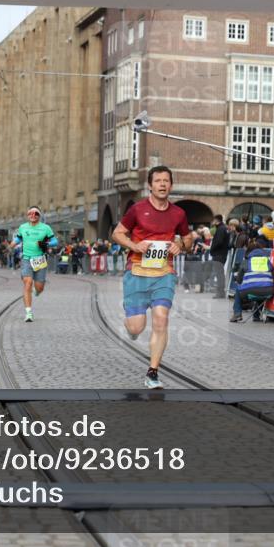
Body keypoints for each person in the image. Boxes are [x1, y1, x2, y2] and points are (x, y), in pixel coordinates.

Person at [112, 166, 193, 389]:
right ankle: (131, 326)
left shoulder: (178, 213)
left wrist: (179, 245)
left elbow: (188, 240)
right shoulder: (137, 210)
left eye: (166, 181)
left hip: (164, 273)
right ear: (150, 185)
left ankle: (153, 372)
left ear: (171, 185)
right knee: (136, 328)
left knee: (161, 318)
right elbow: (117, 233)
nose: (162, 184)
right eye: (158, 181)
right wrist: (134, 245)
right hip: (137, 271)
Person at [13, 206, 59, 322]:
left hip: (40, 260)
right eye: (31, 213)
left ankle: (37, 291)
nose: (33, 215)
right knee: (27, 283)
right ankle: (28, 313)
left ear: (39, 215)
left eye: (36, 213)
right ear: (28, 215)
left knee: (39, 288)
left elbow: (55, 241)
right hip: (26, 259)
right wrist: (12, 244)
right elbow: (18, 239)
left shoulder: (46, 228)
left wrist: (46, 244)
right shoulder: (23, 227)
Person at [229, 237, 274, 323]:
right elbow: (273, 276)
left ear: (249, 251)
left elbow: (239, 280)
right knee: (260, 287)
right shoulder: (267, 261)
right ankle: (256, 316)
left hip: (250, 291)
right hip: (268, 292)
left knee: (239, 290)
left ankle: (237, 313)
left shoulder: (246, 262)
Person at [209, 214, 230, 298]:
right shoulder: (222, 228)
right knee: (220, 274)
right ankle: (221, 292)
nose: (212, 222)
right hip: (221, 254)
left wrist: (212, 249)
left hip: (219, 254)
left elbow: (219, 241)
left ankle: (220, 293)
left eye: (213, 220)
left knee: (219, 274)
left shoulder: (221, 229)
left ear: (216, 220)